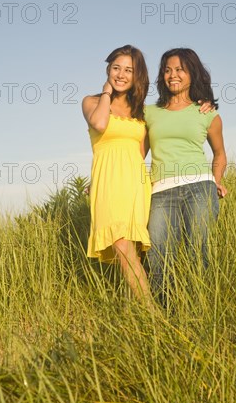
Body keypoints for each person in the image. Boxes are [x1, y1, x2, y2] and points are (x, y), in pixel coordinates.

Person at [144, 48, 227, 305]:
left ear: (192, 73)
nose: (173, 75)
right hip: (161, 192)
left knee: (198, 254)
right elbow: (135, 155)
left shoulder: (207, 113)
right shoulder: (149, 112)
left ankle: (199, 310)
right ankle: (164, 317)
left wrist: (216, 180)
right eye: (168, 70)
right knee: (158, 257)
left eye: (180, 69)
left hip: (199, 188)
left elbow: (220, 154)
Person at [82, 44, 154, 308]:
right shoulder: (92, 102)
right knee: (122, 246)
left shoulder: (142, 112)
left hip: (135, 184)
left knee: (133, 251)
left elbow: (139, 153)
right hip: (108, 184)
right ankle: (152, 314)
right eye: (116, 68)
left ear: (137, 76)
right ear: (108, 70)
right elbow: (100, 124)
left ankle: (140, 307)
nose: (121, 74)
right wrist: (106, 92)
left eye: (128, 70)